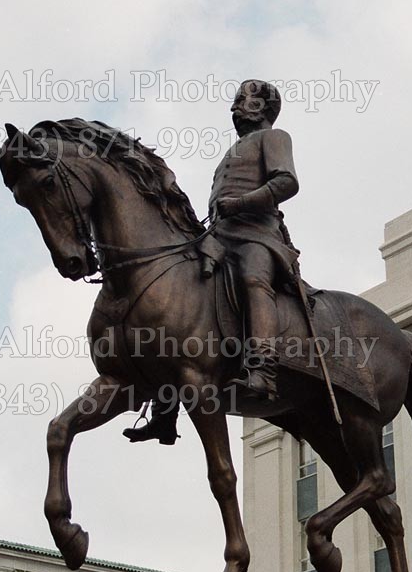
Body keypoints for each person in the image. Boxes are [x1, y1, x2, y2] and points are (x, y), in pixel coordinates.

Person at [124, 79, 300, 444]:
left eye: (242, 100)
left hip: (257, 235)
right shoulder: (230, 154)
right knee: (178, 301)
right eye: (234, 101)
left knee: (254, 279)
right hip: (219, 237)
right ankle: (165, 408)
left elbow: (286, 183)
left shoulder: (275, 137)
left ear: (263, 107)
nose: (234, 107)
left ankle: (263, 367)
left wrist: (239, 204)